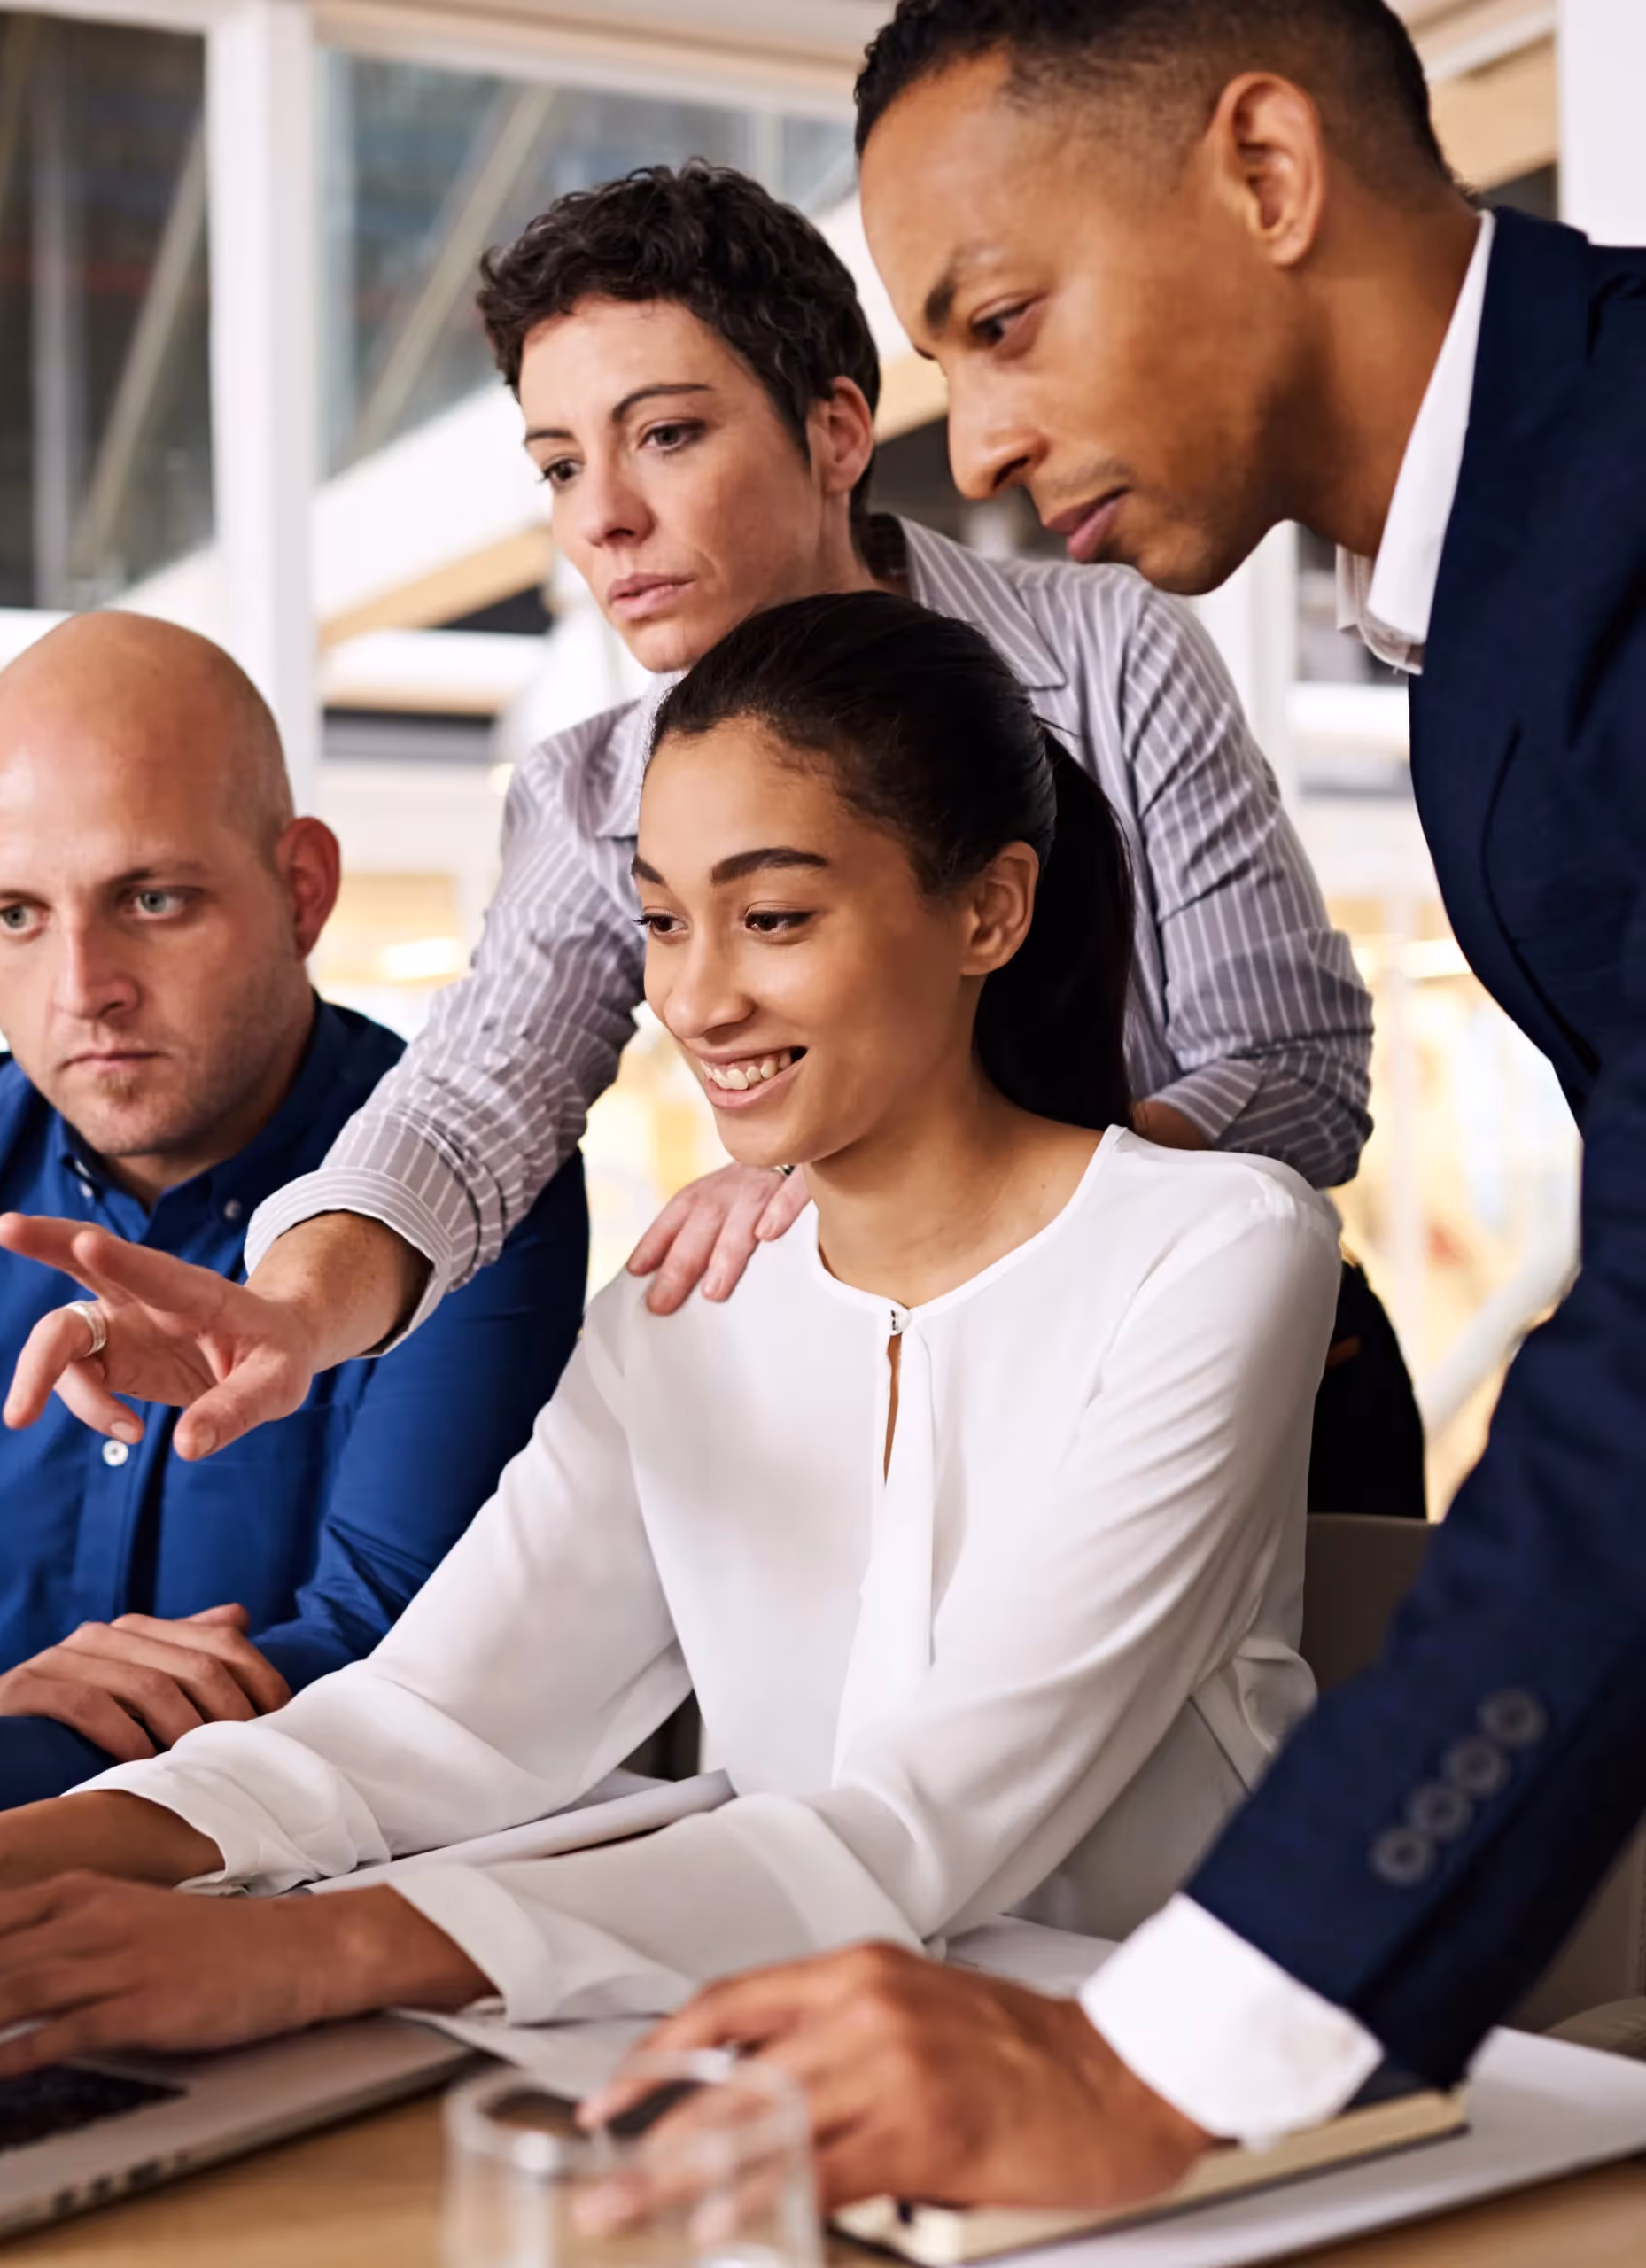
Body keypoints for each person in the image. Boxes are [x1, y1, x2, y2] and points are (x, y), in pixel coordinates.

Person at [606, 0, 1646, 2216]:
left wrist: (1166, 2061)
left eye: (1000, 321)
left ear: (1264, 173)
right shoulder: (1487, 626)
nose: (970, 446)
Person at [0, 594, 1341, 2077]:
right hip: (781, 2079)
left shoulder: (1216, 1251)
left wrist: (303, 1950)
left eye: (772, 917)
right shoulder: (686, 1312)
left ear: (988, 911)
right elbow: (430, 1717)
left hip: (1159, 2093)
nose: (694, 998)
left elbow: (917, 1829)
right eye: (659, 920)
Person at [0, 159, 1415, 1522]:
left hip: (1249, 1392)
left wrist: (894, 1179)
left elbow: (1294, 1068)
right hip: (919, 1415)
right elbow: (472, 1102)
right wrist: (296, 1311)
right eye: (559, 464)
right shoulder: (590, 790)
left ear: (838, 433)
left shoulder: (1108, 654)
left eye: (665, 435)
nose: (604, 518)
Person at [0, 612, 586, 1835]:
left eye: (152, 899)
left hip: (298, 1908)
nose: (82, 989)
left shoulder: (470, 1193)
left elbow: (386, 1673)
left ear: (302, 890)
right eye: (15, 916)